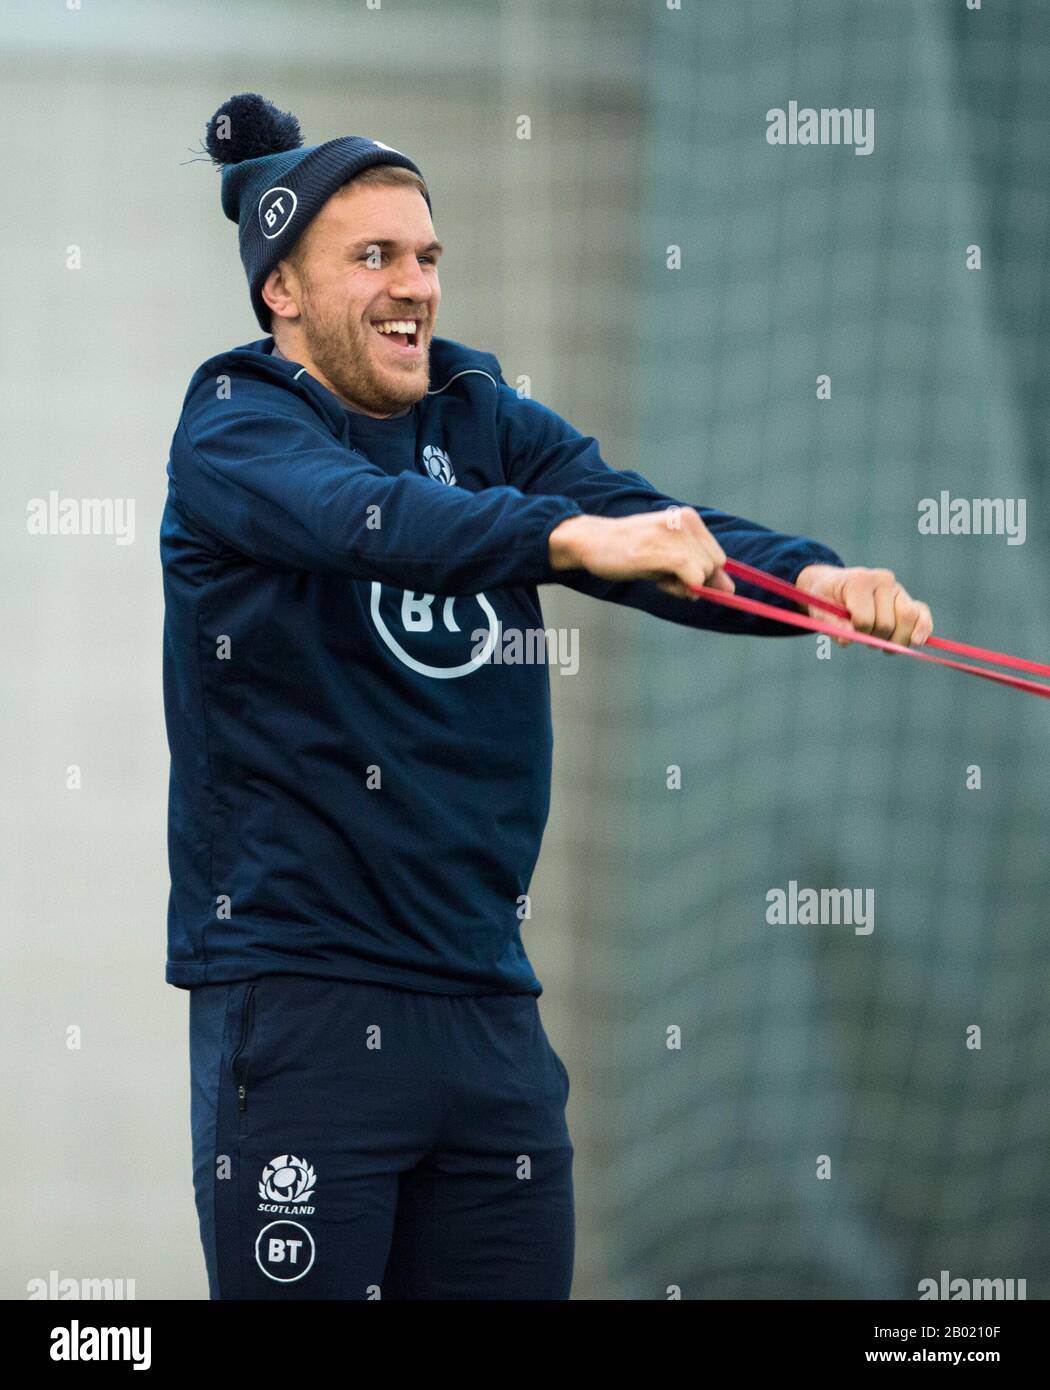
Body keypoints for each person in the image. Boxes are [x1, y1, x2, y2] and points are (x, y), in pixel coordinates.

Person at [161, 94, 933, 1300]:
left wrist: (816, 579)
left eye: (427, 257)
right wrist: (570, 540)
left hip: (485, 1016)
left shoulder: (481, 416)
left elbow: (652, 522)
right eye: (373, 257)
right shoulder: (233, 426)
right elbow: (375, 522)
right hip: (303, 1003)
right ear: (283, 293)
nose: (414, 285)